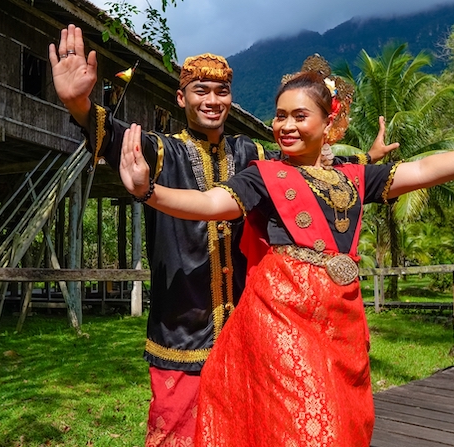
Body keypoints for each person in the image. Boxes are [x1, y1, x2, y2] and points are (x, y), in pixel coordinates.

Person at [118, 55, 454, 446]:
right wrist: (149, 191)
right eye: (280, 116)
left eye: (299, 116)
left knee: (345, 421)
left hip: (340, 325)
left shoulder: (352, 177)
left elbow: (422, 170)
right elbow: (209, 205)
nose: (286, 126)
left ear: (328, 122)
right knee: (309, 429)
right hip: (280, 324)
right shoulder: (263, 176)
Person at [49, 25, 398, 446]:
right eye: (201, 90)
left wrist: (366, 158)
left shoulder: (249, 154)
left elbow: (307, 162)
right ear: (182, 98)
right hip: (182, 329)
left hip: (253, 332)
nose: (212, 100)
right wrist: (79, 104)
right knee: (176, 432)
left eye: (221, 91)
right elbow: (121, 141)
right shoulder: (165, 151)